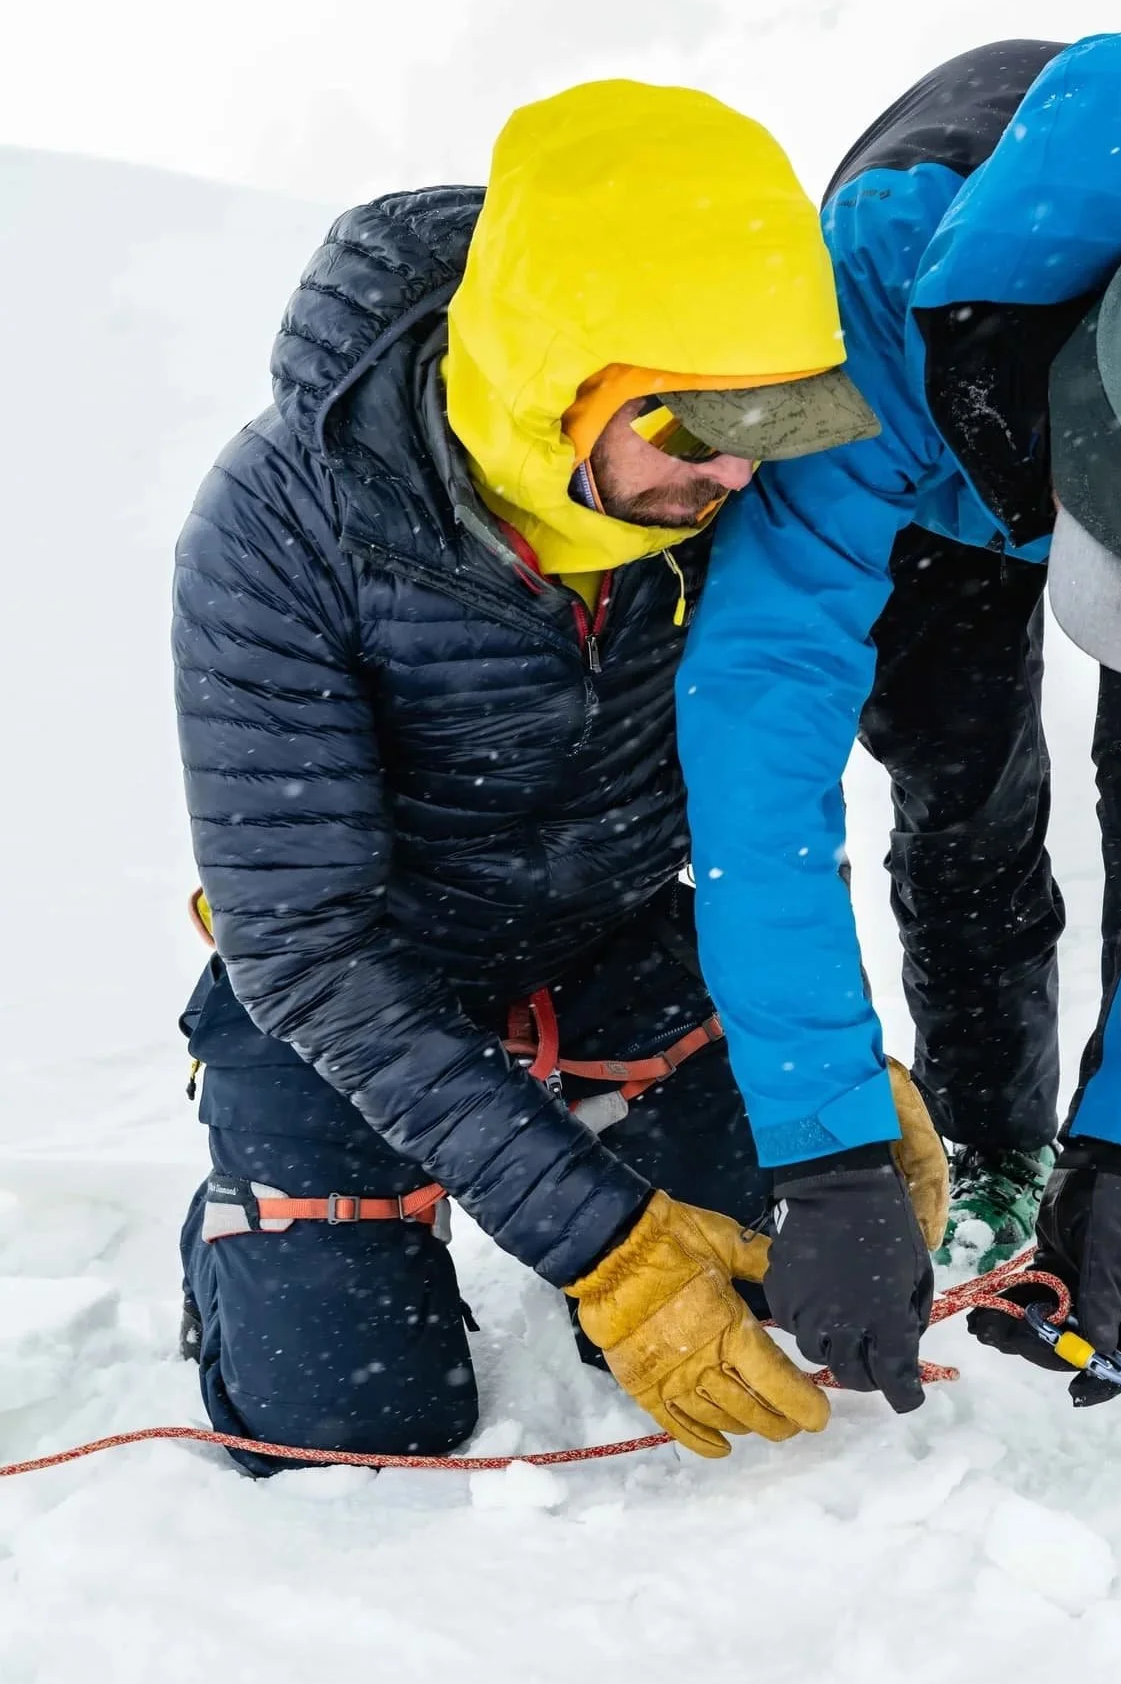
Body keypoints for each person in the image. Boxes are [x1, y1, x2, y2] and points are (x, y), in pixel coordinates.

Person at [172, 78, 949, 1473]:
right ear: (556, 373)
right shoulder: (281, 521)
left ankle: (607, 1117)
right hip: (362, 978)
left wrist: (829, 1073)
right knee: (350, 1425)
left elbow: (763, 796)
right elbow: (302, 944)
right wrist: (609, 1245)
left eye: (776, 422)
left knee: (778, 1285)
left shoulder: (717, 499)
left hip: (615, 939)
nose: (734, 478)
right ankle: (262, 1219)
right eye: (697, 429)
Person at [674, 34, 1121, 1411]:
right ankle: (993, 1129)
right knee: (964, 786)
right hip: (948, 427)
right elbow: (759, 744)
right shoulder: (877, 302)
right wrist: (825, 1152)